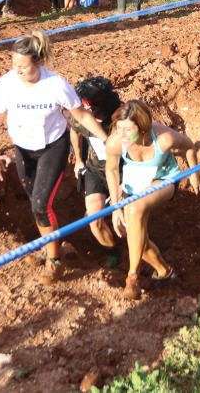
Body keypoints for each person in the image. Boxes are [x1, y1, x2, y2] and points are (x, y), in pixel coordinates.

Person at [0, 31, 109, 285]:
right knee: (35, 203)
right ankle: (52, 245)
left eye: (23, 66)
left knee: (41, 204)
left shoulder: (55, 85)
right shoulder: (5, 84)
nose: (17, 70)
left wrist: (105, 140)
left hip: (53, 147)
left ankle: (55, 261)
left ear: (38, 62)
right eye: (14, 65)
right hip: (23, 149)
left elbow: (81, 116)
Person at [105, 99, 200, 300]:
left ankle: (132, 277)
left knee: (134, 209)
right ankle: (165, 271)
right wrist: (115, 207)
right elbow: (111, 170)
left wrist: (193, 173)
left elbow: (189, 145)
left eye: (128, 130)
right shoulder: (115, 141)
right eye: (118, 128)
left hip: (164, 179)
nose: (122, 135)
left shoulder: (164, 139)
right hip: (135, 185)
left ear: (143, 128)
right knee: (136, 237)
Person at [69, 77, 123, 267]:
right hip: (95, 169)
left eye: (90, 106)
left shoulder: (122, 117)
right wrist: (78, 160)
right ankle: (113, 251)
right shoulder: (81, 116)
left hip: (121, 170)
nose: (86, 111)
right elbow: (74, 130)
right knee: (94, 220)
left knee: (128, 218)